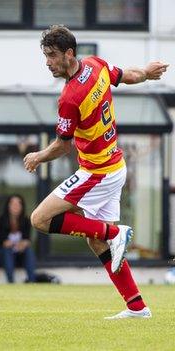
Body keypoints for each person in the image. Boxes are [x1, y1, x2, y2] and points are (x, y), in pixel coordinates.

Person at [24, 25, 168, 319]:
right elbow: (129, 76)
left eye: (52, 56)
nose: (47, 62)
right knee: (97, 240)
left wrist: (38, 156)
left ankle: (116, 233)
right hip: (114, 165)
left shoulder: (69, 98)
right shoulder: (96, 64)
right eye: (45, 56)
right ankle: (137, 306)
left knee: (39, 219)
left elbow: (62, 147)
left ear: (69, 54)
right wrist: (147, 72)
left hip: (98, 171)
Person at [0, 195, 36, 284]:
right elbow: (1, 242)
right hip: (2, 255)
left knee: (28, 250)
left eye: (18, 203)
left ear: (22, 206)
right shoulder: (1, 220)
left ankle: (32, 280)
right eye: (13, 203)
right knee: (7, 250)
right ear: (8, 205)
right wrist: (9, 243)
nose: (15, 206)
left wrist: (24, 244)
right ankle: (11, 282)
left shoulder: (26, 220)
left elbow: (27, 240)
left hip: (18, 255)